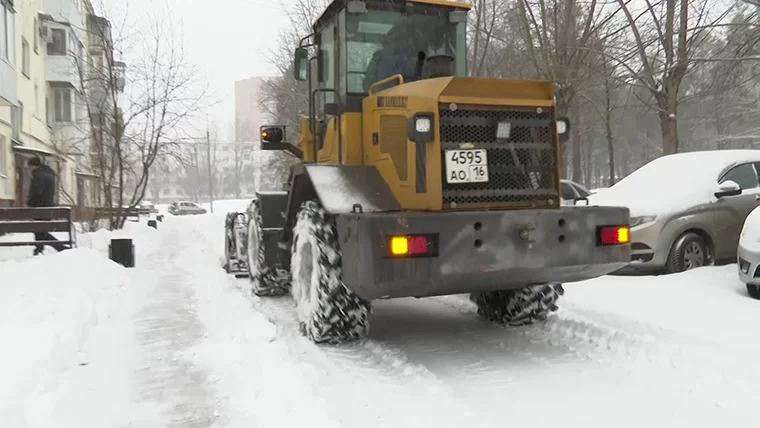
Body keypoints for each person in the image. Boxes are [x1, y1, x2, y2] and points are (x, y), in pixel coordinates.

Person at [27, 156, 66, 255]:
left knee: (40, 230)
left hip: (40, 207)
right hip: (48, 207)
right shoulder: (49, 174)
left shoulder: (38, 176)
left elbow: (37, 192)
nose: (29, 169)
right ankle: (40, 249)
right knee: (41, 230)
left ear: (34, 166)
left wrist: (30, 202)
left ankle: (58, 247)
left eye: (30, 166)